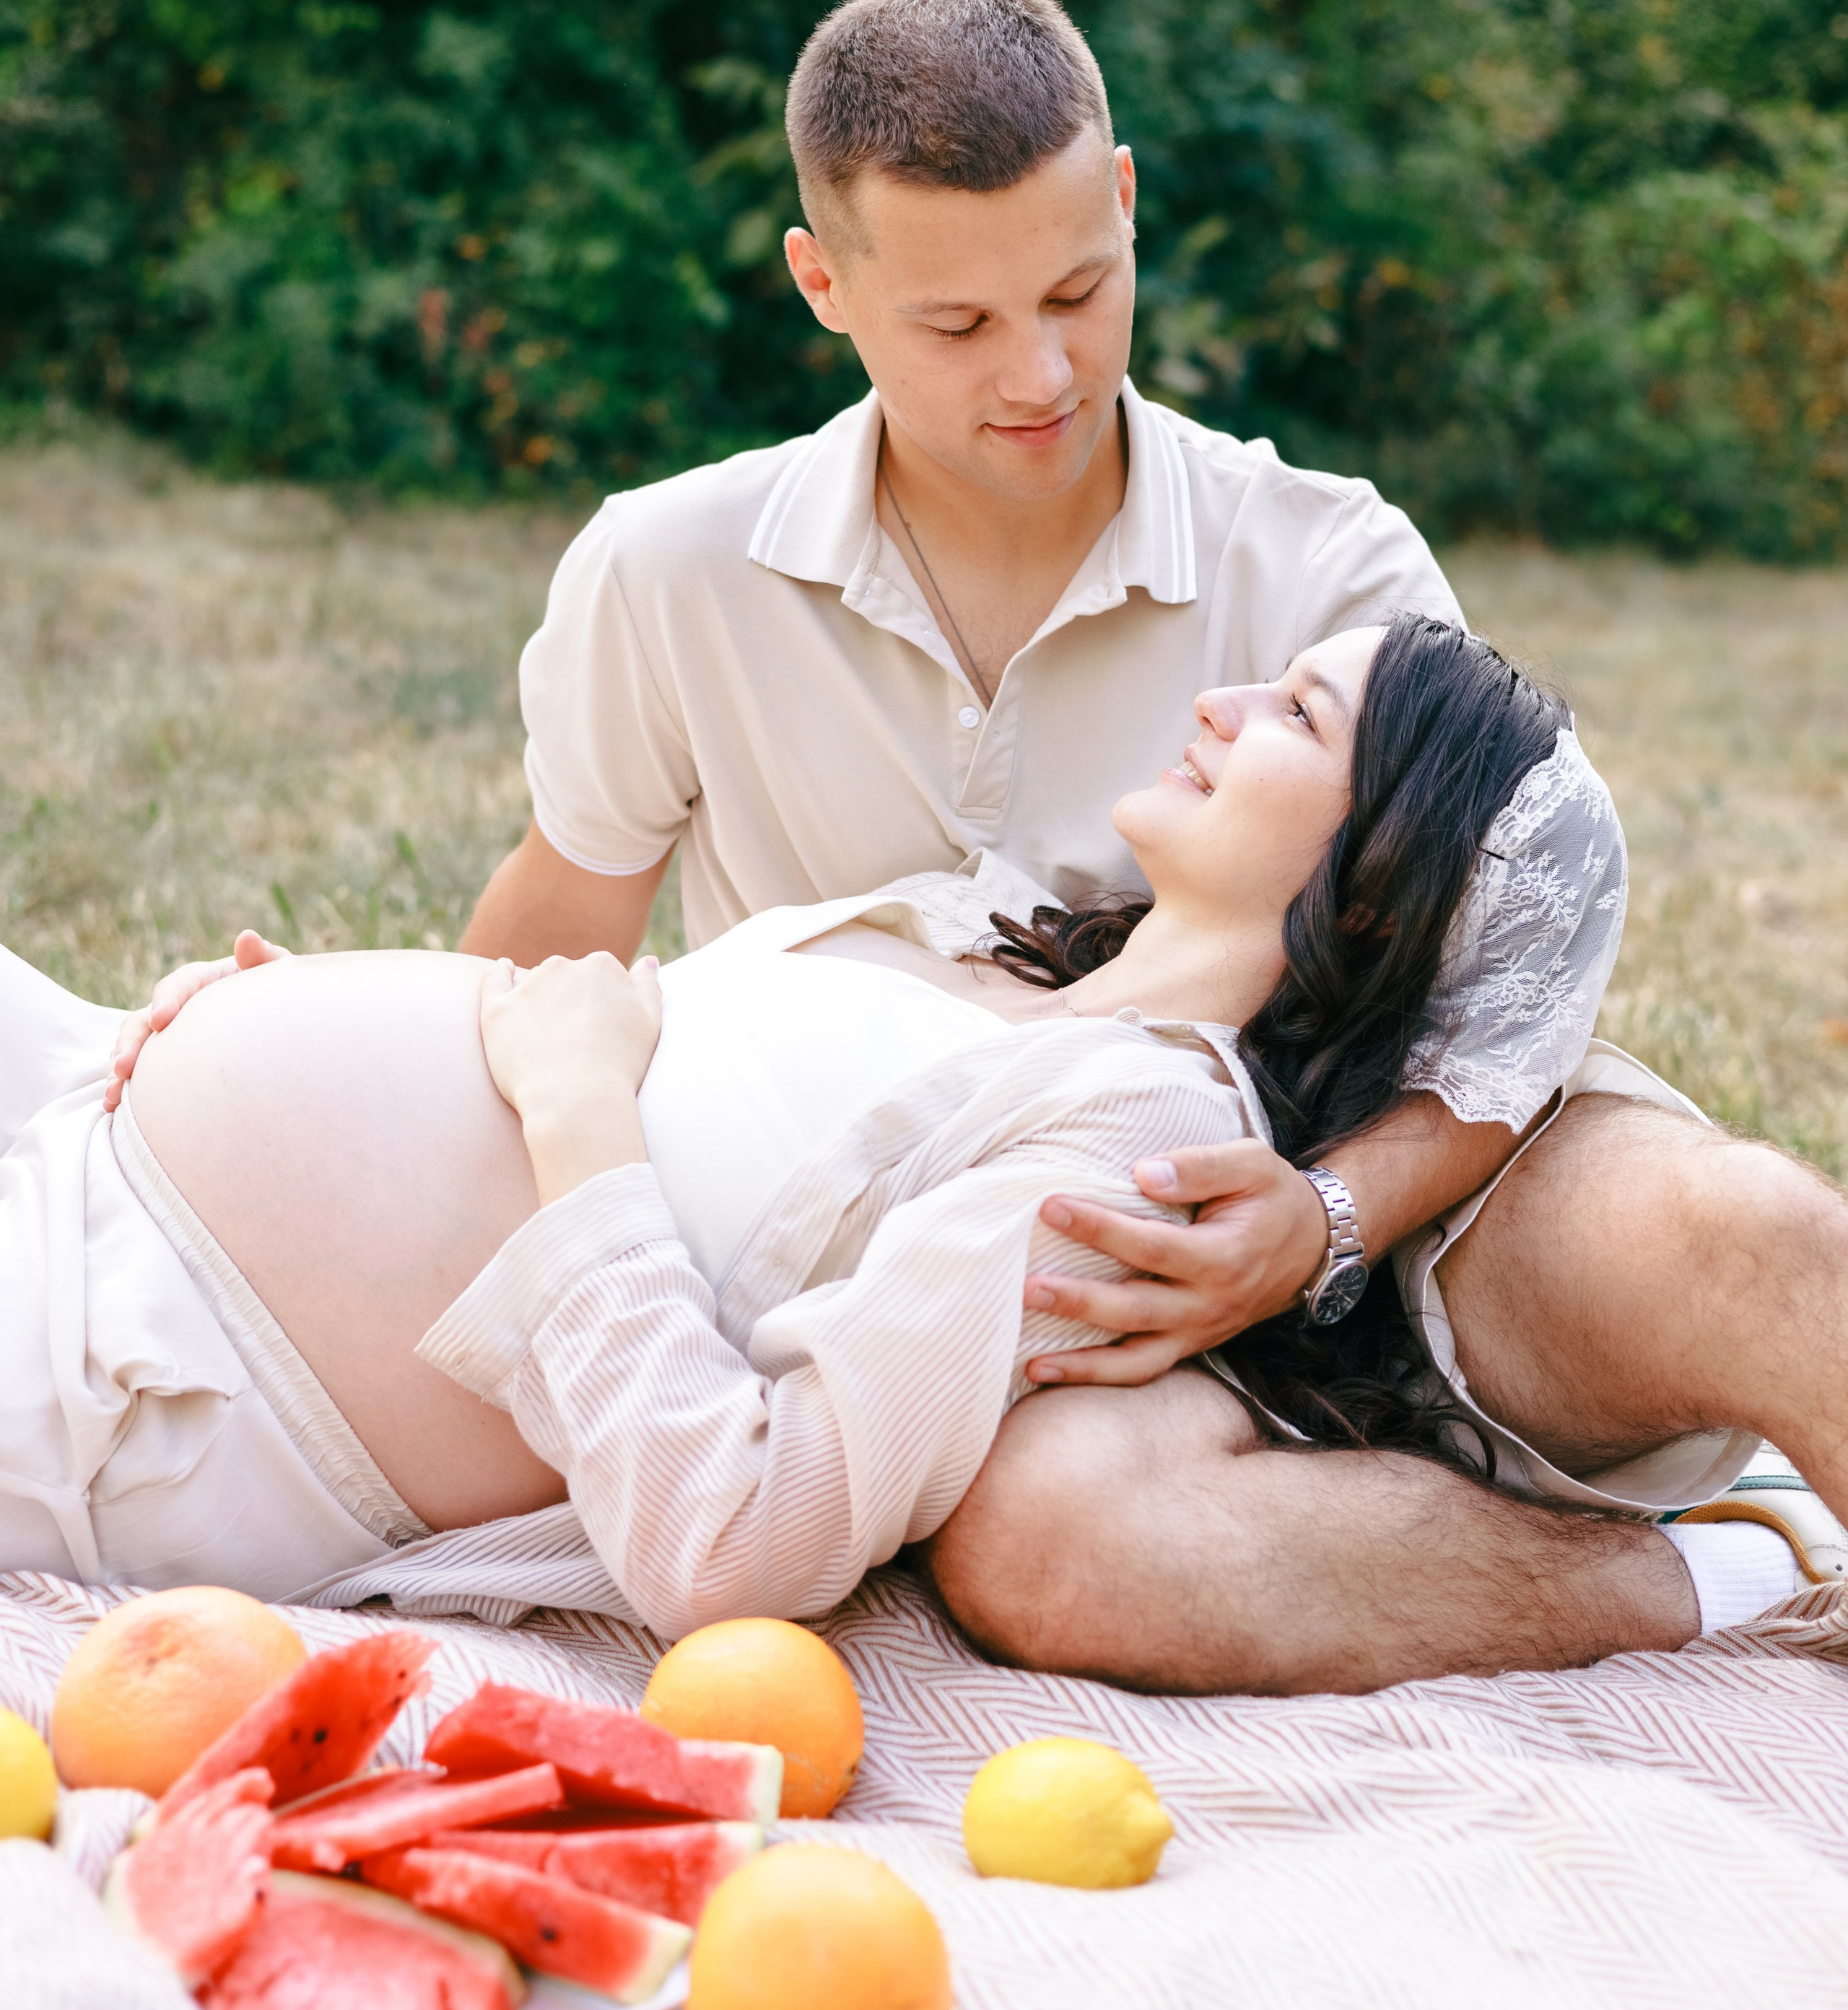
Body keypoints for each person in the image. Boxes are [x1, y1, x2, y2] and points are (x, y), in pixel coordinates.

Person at [106, 0, 1848, 1681]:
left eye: (1082, 289)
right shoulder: (669, 570)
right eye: (955, 325)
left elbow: (1515, 955)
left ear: (1126, 202)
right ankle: (1698, 1581)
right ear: (823, 283)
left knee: (1735, 1235)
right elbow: (568, 905)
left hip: (1349, 1174)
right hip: (944, 1306)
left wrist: (1318, 1217)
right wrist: (373, 1028)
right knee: (1055, 1549)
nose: (1040, 368)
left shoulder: (1320, 561)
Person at [0, 616, 1706, 1650]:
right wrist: (285, 1020)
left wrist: (573, 1109)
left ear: (1375, 882)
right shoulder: (978, 944)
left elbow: (735, 1537)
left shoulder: (1131, 1144)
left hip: (139, 1372)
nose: (1223, 704)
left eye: (1298, 719)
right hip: (89, 1116)